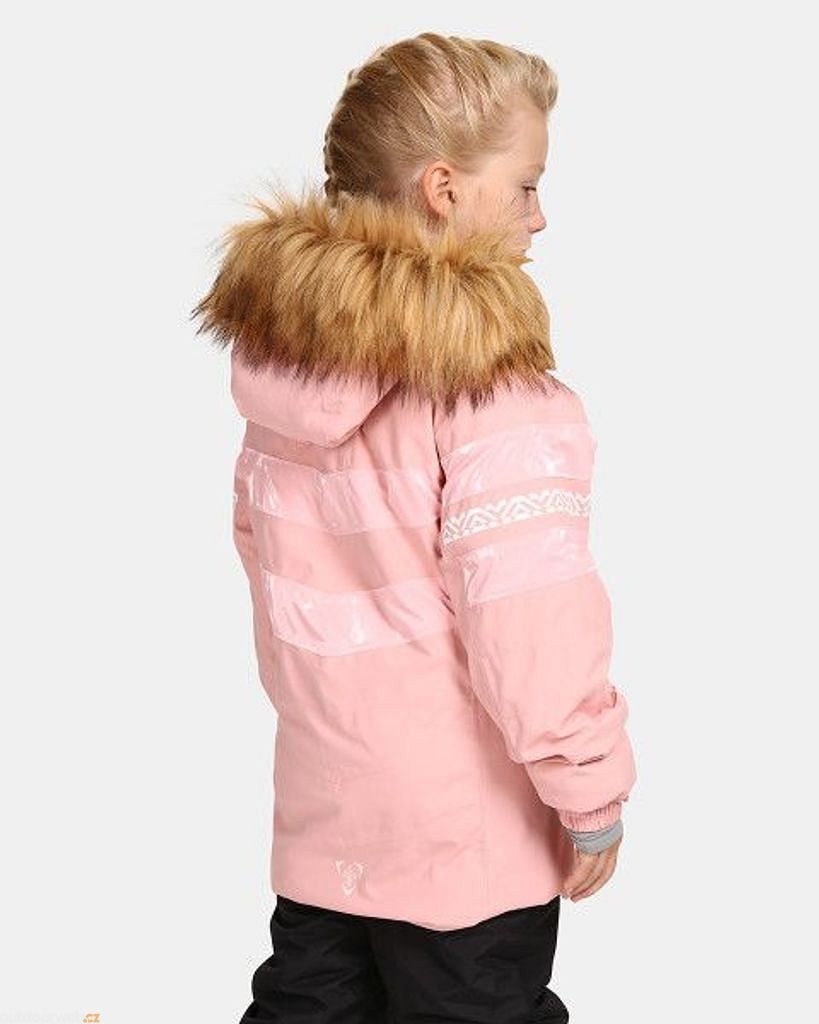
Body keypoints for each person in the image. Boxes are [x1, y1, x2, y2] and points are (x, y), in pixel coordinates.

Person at [191, 31, 638, 1024]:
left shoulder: (284, 384)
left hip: (324, 817)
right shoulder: (492, 396)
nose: (538, 215)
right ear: (444, 188)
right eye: (524, 186)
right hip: (464, 847)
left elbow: (268, 578)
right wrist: (590, 791)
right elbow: (533, 622)